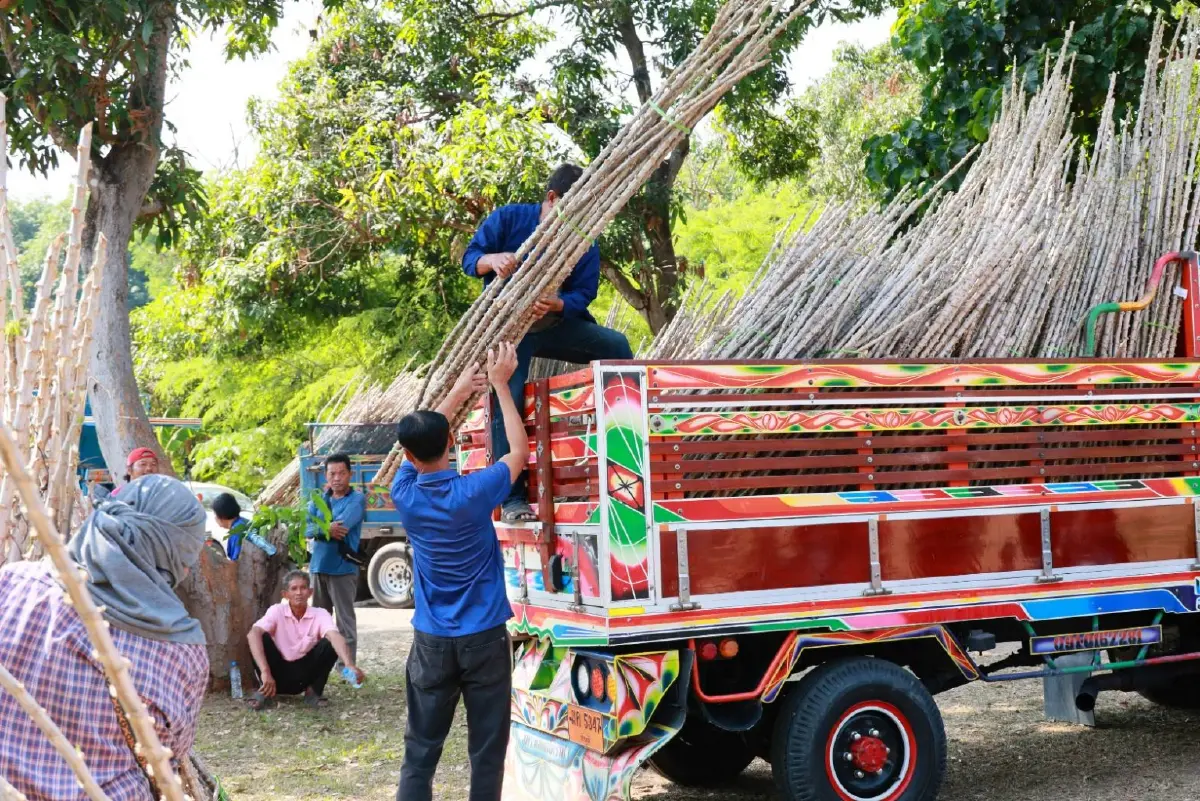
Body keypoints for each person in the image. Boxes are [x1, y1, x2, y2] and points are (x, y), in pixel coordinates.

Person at [0, 474, 210, 800]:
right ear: (166, 553)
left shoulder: (12, 584)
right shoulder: (180, 651)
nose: (184, 572)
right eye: (184, 558)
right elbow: (168, 753)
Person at [391, 342, 526, 801]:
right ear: (452, 442)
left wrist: (453, 395)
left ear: (408, 456)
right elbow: (519, 452)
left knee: (421, 750)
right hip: (485, 637)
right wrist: (501, 388)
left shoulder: (405, 494)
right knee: (487, 750)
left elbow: (419, 440)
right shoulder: (476, 491)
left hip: (431, 641)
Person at [463, 163, 634, 523]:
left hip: (558, 325)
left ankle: (626, 453)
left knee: (617, 347)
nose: (576, 219)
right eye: (570, 210)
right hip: (512, 333)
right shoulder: (509, 219)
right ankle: (512, 497)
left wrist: (559, 303)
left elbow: (584, 293)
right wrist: (491, 261)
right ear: (552, 198)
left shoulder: (584, 241)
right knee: (507, 394)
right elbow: (470, 259)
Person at [245, 570, 365, 710]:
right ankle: (265, 691)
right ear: (285, 594)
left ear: (310, 592)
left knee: (329, 643)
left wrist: (349, 664)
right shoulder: (276, 611)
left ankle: (313, 692)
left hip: (305, 676)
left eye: (303, 588)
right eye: (294, 588)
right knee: (258, 636)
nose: (299, 592)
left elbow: (335, 636)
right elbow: (252, 634)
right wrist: (265, 671)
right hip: (276, 673)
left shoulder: (320, 614)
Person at [305, 453, 366, 663]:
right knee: (318, 622)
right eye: (332, 473)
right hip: (318, 567)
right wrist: (325, 529)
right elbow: (305, 528)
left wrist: (320, 529)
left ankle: (346, 667)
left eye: (342, 473)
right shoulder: (319, 499)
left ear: (350, 474)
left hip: (343, 568)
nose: (337, 478)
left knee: (344, 622)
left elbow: (343, 526)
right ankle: (319, 665)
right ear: (325, 475)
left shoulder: (357, 498)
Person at [212, 492, 250, 560]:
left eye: (215, 514)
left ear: (222, 515)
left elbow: (236, 562)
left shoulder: (236, 533)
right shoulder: (246, 522)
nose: (214, 517)